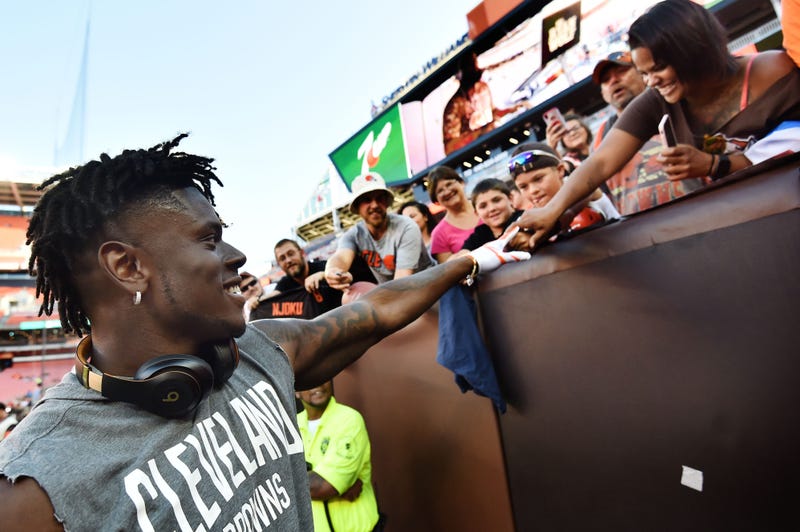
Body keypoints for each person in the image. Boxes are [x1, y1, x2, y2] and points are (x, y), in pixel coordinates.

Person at [0, 135, 529, 531]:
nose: (236, 256)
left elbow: (377, 311)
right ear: (128, 267)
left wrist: (470, 258)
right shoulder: (37, 484)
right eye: (209, 241)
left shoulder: (259, 350)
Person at [515, 0, 800, 244]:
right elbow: (601, 163)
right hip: (738, 230)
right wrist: (553, 210)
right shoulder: (657, 99)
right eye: (644, 72)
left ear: (693, 50)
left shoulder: (775, 72)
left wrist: (713, 165)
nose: (653, 81)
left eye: (659, 68)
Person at [590, 50, 706, 215]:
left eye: (622, 71)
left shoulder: (676, 107)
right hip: (643, 233)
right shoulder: (600, 138)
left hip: (700, 215)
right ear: (602, 93)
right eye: (606, 80)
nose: (613, 81)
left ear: (643, 73)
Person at [325, 172, 434, 291]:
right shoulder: (354, 235)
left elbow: (401, 284)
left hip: (427, 291)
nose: (375, 205)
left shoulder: (406, 226)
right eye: (367, 200)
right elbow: (341, 257)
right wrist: (333, 271)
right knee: (350, 296)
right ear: (357, 207)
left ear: (386, 202)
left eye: (379, 198)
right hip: (394, 295)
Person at [297, 380, 379, 532]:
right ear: (296, 391)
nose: (319, 385)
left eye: (324, 378)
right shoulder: (291, 427)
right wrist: (337, 483)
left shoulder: (349, 419)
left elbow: (324, 487)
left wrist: (330, 485)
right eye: (311, 381)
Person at [510, 142, 612, 233]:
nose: (533, 190)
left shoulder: (583, 189)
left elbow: (587, 192)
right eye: (523, 187)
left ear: (560, 170)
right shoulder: (527, 221)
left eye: (538, 179)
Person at [252, 239, 342, 320]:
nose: (288, 260)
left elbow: (344, 274)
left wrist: (324, 275)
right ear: (279, 264)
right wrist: (256, 301)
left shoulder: (324, 267)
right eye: (282, 258)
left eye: (291, 254)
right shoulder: (285, 283)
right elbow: (274, 296)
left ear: (302, 253)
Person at [427, 166, 481, 263]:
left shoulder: (485, 206)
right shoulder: (439, 234)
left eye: (449, 184)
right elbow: (449, 272)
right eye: (440, 191)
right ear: (436, 200)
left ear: (461, 183)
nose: (447, 192)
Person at [460, 179, 523, 251]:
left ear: (510, 199)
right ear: (477, 213)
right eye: (483, 206)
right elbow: (462, 254)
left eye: (496, 200)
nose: (491, 209)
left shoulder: (525, 219)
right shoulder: (479, 235)